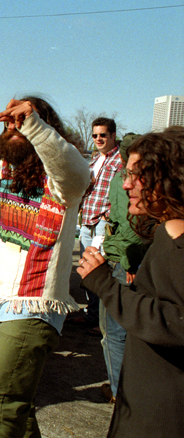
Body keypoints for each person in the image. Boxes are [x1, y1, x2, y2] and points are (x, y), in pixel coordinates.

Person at [0, 79, 90, 437]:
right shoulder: (9, 169)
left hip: (35, 307)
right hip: (1, 303)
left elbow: (75, 168)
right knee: (16, 410)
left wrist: (32, 123)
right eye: (11, 122)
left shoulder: (63, 183)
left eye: (22, 121)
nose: (15, 127)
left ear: (43, 126)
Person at [78, 127, 184, 437]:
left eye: (137, 175)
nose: (126, 184)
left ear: (168, 178)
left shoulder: (177, 247)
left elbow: (176, 322)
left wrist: (105, 286)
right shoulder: (166, 234)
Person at [93, 133, 150, 403]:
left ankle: (119, 392)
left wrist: (130, 262)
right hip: (132, 257)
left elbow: (128, 224)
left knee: (113, 333)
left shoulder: (121, 179)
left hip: (124, 260)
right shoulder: (134, 179)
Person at [73, 117, 123, 334]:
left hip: (103, 222)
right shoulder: (94, 160)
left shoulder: (121, 160)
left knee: (100, 269)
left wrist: (108, 216)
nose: (98, 139)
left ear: (113, 135)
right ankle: (92, 316)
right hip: (87, 220)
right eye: (95, 135)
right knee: (87, 269)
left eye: (103, 135)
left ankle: (103, 323)